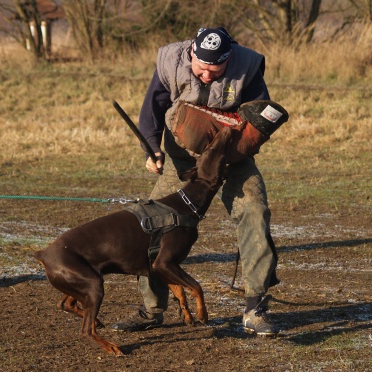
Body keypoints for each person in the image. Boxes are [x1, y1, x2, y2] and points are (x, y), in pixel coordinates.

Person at [112, 27, 284, 336]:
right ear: (191, 52)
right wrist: (151, 149)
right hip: (181, 159)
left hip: (232, 159)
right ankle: (151, 309)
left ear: (228, 59)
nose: (205, 75)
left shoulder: (248, 66)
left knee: (255, 211)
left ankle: (255, 310)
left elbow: (260, 115)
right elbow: (152, 110)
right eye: (199, 67)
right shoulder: (170, 61)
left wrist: (247, 135)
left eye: (213, 70)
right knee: (151, 222)